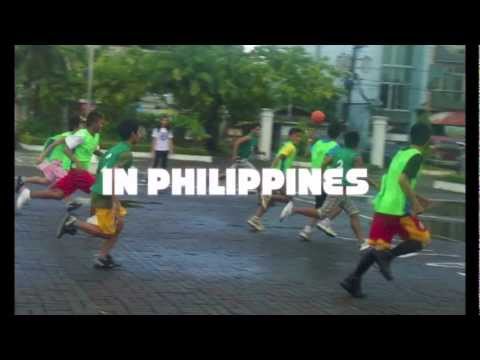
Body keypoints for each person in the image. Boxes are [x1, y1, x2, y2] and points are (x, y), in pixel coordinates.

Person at [340, 122, 432, 298]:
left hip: (383, 206)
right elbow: (403, 180)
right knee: (421, 239)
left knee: (376, 247)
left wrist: (419, 197)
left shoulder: (400, 153)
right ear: (427, 139)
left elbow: (394, 180)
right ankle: (388, 257)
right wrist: (415, 203)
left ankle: (353, 279)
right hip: (398, 211)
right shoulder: (417, 156)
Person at [56, 120, 141, 269]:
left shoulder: (113, 149)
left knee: (119, 224)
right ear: (133, 134)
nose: (140, 135)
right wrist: (115, 202)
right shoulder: (126, 153)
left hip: (99, 191)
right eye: (139, 132)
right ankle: (73, 222)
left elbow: (101, 167)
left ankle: (102, 257)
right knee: (108, 232)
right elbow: (113, 174)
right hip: (105, 195)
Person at [280, 131, 376, 250]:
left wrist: (322, 175)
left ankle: (362, 242)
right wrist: (373, 183)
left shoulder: (337, 152)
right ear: (356, 143)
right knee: (321, 213)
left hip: (335, 186)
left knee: (354, 213)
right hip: (339, 189)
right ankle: (293, 210)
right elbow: (361, 175)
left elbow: (324, 163)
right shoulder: (356, 156)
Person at [16, 112, 104, 211]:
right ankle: (94, 218)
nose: (102, 126)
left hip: (74, 173)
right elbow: (65, 149)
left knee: (58, 194)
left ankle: (27, 194)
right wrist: (77, 162)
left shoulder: (96, 136)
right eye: (101, 123)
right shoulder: (81, 134)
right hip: (77, 171)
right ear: (93, 123)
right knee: (99, 191)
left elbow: (93, 149)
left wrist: (104, 155)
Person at [247, 127, 303, 232]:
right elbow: (279, 157)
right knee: (288, 198)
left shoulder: (287, 145)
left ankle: (255, 219)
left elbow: (281, 158)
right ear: (290, 136)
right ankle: (268, 196)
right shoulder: (290, 147)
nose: (298, 138)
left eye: (300, 136)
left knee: (269, 202)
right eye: (296, 136)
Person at [298, 121, 344, 241]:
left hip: (314, 177)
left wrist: (309, 141)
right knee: (341, 202)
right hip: (325, 178)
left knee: (319, 207)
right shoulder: (335, 146)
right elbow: (328, 160)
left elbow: (307, 154)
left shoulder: (318, 143)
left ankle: (306, 230)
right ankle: (325, 222)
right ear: (339, 133)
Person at [15, 116, 83, 192]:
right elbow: (53, 144)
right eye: (81, 124)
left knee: (46, 181)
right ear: (75, 126)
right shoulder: (67, 136)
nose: (83, 127)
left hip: (61, 162)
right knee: (65, 179)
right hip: (57, 161)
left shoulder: (77, 137)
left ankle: (23, 179)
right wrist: (42, 156)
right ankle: (68, 200)